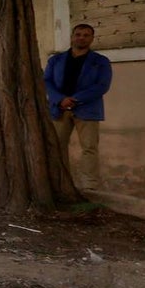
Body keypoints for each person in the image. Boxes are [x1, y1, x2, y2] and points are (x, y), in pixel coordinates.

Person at [43, 23, 113, 190]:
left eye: (86, 35)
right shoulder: (55, 60)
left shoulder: (100, 61)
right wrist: (60, 99)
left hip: (87, 109)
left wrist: (74, 99)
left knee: (89, 148)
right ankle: (60, 183)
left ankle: (89, 185)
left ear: (92, 38)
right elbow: (46, 81)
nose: (82, 37)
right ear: (72, 36)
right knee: (57, 147)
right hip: (58, 109)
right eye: (78, 34)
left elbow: (102, 85)